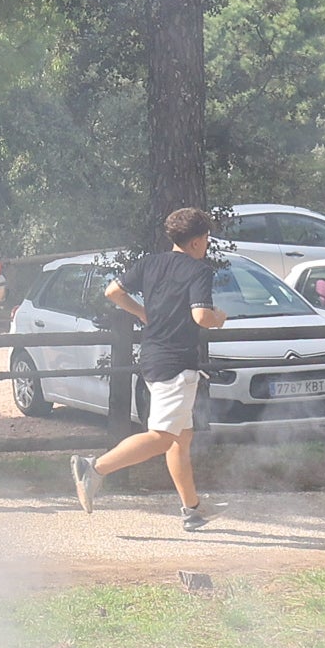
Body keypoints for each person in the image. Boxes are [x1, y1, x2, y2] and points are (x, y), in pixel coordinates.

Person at [70, 207, 227, 531]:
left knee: (180, 439)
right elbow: (201, 317)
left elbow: (113, 291)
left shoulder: (150, 263)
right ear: (198, 241)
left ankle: (192, 510)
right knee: (161, 437)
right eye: (207, 238)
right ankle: (93, 468)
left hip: (153, 356)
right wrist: (219, 318)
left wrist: (142, 313)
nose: (208, 244)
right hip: (177, 364)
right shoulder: (199, 272)